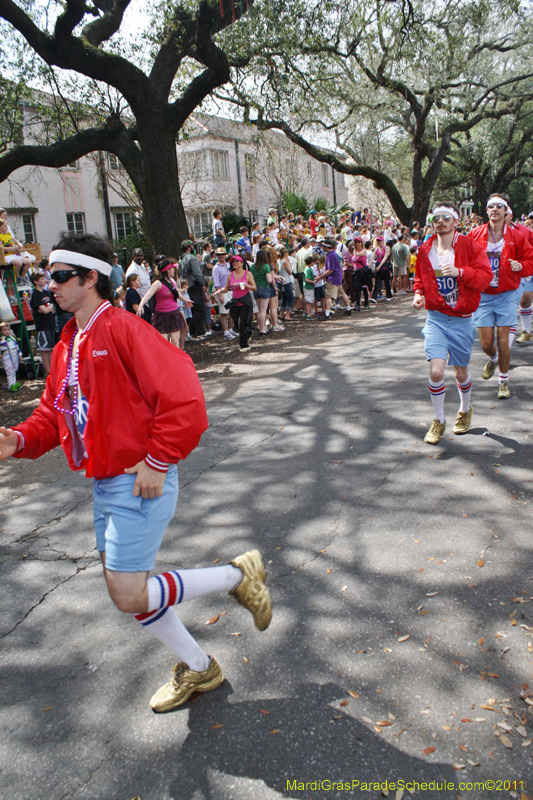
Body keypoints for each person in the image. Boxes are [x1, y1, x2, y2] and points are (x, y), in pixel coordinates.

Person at [0, 231, 271, 713]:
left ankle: (236, 575)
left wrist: (158, 459)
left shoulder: (123, 328)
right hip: (107, 483)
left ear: (91, 278)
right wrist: (19, 440)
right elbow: (53, 414)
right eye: (49, 276)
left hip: (138, 479)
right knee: (131, 593)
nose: (51, 285)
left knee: (127, 593)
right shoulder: (69, 343)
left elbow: (185, 396)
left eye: (61, 276)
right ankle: (200, 667)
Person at [413, 202, 492, 445]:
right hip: (436, 318)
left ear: (456, 221)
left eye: (446, 217)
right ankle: (439, 420)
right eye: (436, 217)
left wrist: (460, 272)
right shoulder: (426, 249)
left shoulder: (470, 246)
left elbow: (485, 278)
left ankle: (465, 409)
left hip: (461, 319)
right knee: (436, 371)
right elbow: (419, 278)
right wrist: (418, 294)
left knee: (460, 373)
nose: (441, 221)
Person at [469, 193, 533, 398]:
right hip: (484, 295)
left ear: (506, 211)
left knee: (503, 340)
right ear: (487, 211)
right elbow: (464, 262)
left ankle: (503, 382)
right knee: (487, 344)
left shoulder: (517, 236)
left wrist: (521, 266)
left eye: (499, 206)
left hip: (506, 294)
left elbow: (530, 262)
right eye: (491, 206)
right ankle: (494, 358)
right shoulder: (474, 235)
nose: (495, 209)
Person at [136, 259, 191, 349]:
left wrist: (186, 300)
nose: (174, 270)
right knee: (163, 343)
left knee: (175, 340)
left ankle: (175, 361)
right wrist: (141, 305)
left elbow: (176, 292)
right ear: (168, 270)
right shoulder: (157, 283)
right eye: (172, 268)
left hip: (174, 313)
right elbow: (148, 295)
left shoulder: (172, 281)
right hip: (161, 316)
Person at [215, 254, 256, 352]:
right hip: (235, 302)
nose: (235, 263)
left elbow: (254, 287)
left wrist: (246, 285)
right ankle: (248, 333)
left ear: (242, 263)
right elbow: (227, 288)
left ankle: (244, 345)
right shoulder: (230, 275)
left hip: (245, 301)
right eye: (233, 262)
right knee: (237, 326)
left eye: (237, 261)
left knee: (242, 324)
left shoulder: (248, 274)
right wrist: (219, 291)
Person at [29, 270, 56, 375]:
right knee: (44, 349)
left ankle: (53, 370)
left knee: (50, 348)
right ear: (35, 281)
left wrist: (47, 309)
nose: (45, 280)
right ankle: (48, 372)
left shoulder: (46, 293)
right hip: (42, 325)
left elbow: (53, 308)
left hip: (51, 323)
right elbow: (43, 310)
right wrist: (47, 309)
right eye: (41, 279)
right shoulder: (35, 295)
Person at [180, 240, 207, 339]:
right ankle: (200, 331)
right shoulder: (192, 258)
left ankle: (192, 331)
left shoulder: (181, 259)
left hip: (186, 287)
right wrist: (203, 283)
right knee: (199, 308)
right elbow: (197, 273)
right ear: (189, 248)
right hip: (194, 285)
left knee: (190, 309)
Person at [319, 240, 352, 319]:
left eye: (323, 246)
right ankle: (348, 308)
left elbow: (330, 270)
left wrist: (320, 277)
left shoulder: (330, 255)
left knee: (328, 295)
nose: (322, 247)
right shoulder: (334, 254)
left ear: (327, 247)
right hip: (337, 277)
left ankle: (327, 314)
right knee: (341, 293)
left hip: (333, 278)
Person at [212, 248, 238, 340]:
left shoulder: (228, 265)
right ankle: (225, 332)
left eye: (223, 254)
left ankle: (230, 329)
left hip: (231, 291)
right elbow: (216, 283)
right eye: (219, 255)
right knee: (224, 313)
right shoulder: (216, 268)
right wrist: (220, 295)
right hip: (223, 292)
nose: (221, 256)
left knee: (232, 312)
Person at [0, 219, 36, 285]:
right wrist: (13, 248)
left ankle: (22, 277)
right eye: (5, 226)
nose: (7, 228)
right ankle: (17, 277)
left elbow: (12, 245)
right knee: (19, 263)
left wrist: (17, 246)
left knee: (28, 262)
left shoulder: (8, 236)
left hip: (11, 255)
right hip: (4, 256)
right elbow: (1, 248)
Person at [251, 249, 273, 335]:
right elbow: (269, 280)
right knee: (263, 310)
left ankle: (260, 327)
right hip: (264, 288)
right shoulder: (266, 266)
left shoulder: (253, 266)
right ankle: (262, 329)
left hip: (256, 289)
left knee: (259, 310)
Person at [0, 321, 22, 391]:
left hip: (14, 356)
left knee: (14, 370)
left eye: (8, 329)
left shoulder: (12, 338)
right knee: (9, 371)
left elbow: (16, 347)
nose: (6, 331)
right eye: (4, 330)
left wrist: (19, 355)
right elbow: (2, 348)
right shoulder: (1, 340)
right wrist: (3, 342)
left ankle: (14, 382)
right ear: (1, 331)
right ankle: (10, 385)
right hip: (6, 357)